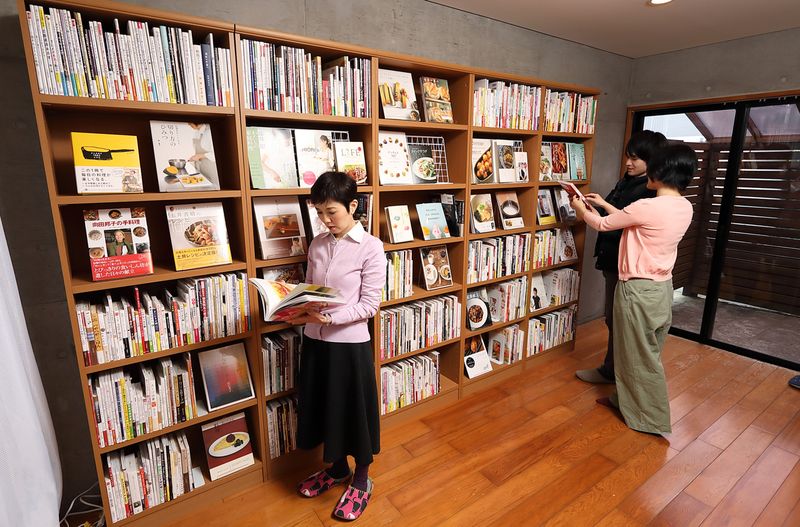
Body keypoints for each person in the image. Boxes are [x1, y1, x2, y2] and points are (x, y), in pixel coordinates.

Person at [570, 143, 697, 435]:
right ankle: (625, 401)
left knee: (638, 357)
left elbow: (603, 225)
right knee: (644, 351)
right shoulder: (683, 206)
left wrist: (581, 210)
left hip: (637, 290)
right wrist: (603, 203)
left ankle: (649, 419)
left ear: (660, 171)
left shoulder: (646, 206)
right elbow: (633, 219)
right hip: (662, 289)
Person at [288, 171, 385, 521]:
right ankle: (338, 469)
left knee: (353, 412)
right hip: (315, 341)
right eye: (319, 213)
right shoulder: (317, 244)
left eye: (332, 212)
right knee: (326, 407)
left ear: (353, 206)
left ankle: (361, 478)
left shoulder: (371, 248)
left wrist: (330, 319)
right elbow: (312, 290)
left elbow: (369, 305)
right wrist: (297, 306)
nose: (325, 220)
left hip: (349, 345)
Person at [575, 130, 668, 384]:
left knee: (620, 322)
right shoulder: (627, 181)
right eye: (629, 156)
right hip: (612, 260)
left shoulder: (651, 191)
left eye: (636, 158)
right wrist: (600, 205)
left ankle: (615, 375)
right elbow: (617, 216)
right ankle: (615, 373)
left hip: (626, 265)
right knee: (613, 319)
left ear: (653, 161)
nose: (629, 162)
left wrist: (585, 213)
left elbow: (617, 224)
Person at [187, 122, 220, 188]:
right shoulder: (196, 133)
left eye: (190, 123)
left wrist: (200, 156)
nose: (189, 125)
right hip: (201, 167)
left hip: (210, 168)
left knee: (213, 188)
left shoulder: (209, 132)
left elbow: (216, 154)